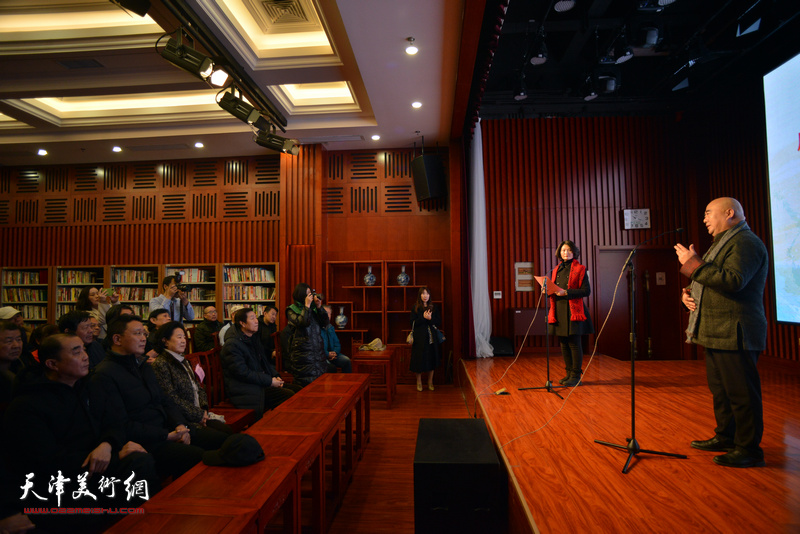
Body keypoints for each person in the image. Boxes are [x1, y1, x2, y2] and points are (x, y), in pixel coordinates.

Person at [3, 333, 158, 533]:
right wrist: (113, 456)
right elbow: (46, 461)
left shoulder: (89, 386)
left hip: (98, 463)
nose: (86, 356)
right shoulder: (28, 405)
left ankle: (142, 526)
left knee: (141, 461)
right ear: (52, 364)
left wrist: (107, 445)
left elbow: (115, 422)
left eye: (84, 349)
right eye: (76, 352)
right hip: (60, 479)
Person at [675, 197, 768, 468]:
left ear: (729, 213)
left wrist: (693, 263)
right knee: (722, 391)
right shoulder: (723, 242)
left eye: (708, 213)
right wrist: (688, 293)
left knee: (741, 394)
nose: (704, 219)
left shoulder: (745, 242)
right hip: (717, 331)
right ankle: (726, 437)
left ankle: (749, 449)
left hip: (735, 331)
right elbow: (712, 279)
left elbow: (733, 281)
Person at [90, 315, 224, 478]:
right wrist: (166, 436)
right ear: (117, 339)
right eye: (137, 333)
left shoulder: (143, 365)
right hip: (148, 440)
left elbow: (165, 400)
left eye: (144, 334)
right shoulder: (105, 375)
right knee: (199, 458)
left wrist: (180, 425)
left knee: (221, 439)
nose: (143, 339)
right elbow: (120, 424)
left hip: (169, 428)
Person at [151, 321, 233, 436]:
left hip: (198, 414)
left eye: (184, 337)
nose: (184, 341)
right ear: (165, 341)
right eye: (179, 337)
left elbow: (198, 387)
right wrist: (198, 415)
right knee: (222, 437)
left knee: (227, 431)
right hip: (183, 421)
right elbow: (171, 398)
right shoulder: (161, 364)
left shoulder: (183, 359)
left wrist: (203, 410)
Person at [221, 308, 302, 419]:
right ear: (242, 323)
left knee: (298, 390)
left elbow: (264, 362)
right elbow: (243, 373)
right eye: (252, 318)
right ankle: (278, 427)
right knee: (289, 396)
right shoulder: (232, 345)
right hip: (246, 388)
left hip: (259, 382)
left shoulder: (252, 338)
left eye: (256, 317)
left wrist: (275, 376)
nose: (256, 321)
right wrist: (269, 381)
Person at [547, 240, 594, 387]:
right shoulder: (556, 269)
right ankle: (568, 374)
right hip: (559, 309)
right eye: (562, 250)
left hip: (574, 310)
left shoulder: (580, 269)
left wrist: (566, 292)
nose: (565, 253)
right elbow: (554, 289)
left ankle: (576, 375)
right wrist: (547, 290)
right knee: (563, 343)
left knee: (574, 343)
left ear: (574, 252)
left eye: (568, 250)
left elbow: (586, 291)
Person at [286, 283, 329, 386]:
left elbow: (325, 323)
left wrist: (319, 307)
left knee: (320, 384)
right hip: (303, 355)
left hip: (317, 353)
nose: (311, 296)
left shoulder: (313, 310)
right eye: (308, 294)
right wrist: (307, 306)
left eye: (311, 294)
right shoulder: (291, 309)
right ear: (301, 295)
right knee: (305, 384)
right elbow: (303, 322)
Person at [410, 287, 442, 392]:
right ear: (420, 295)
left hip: (431, 338)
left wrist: (430, 319)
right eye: (423, 294)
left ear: (429, 295)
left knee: (431, 360)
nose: (425, 296)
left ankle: (430, 382)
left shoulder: (434, 307)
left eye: (427, 294)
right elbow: (413, 323)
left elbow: (438, 322)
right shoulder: (415, 307)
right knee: (418, 360)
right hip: (419, 339)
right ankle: (418, 382)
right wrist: (423, 318)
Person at [322, 304, 352, 373]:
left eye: (330, 313)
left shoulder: (330, 327)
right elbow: (317, 347)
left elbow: (337, 343)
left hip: (333, 354)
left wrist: (335, 353)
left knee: (346, 361)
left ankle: (346, 383)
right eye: (326, 313)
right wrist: (327, 354)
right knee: (332, 368)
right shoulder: (316, 328)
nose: (328, 315)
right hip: (322, 356)